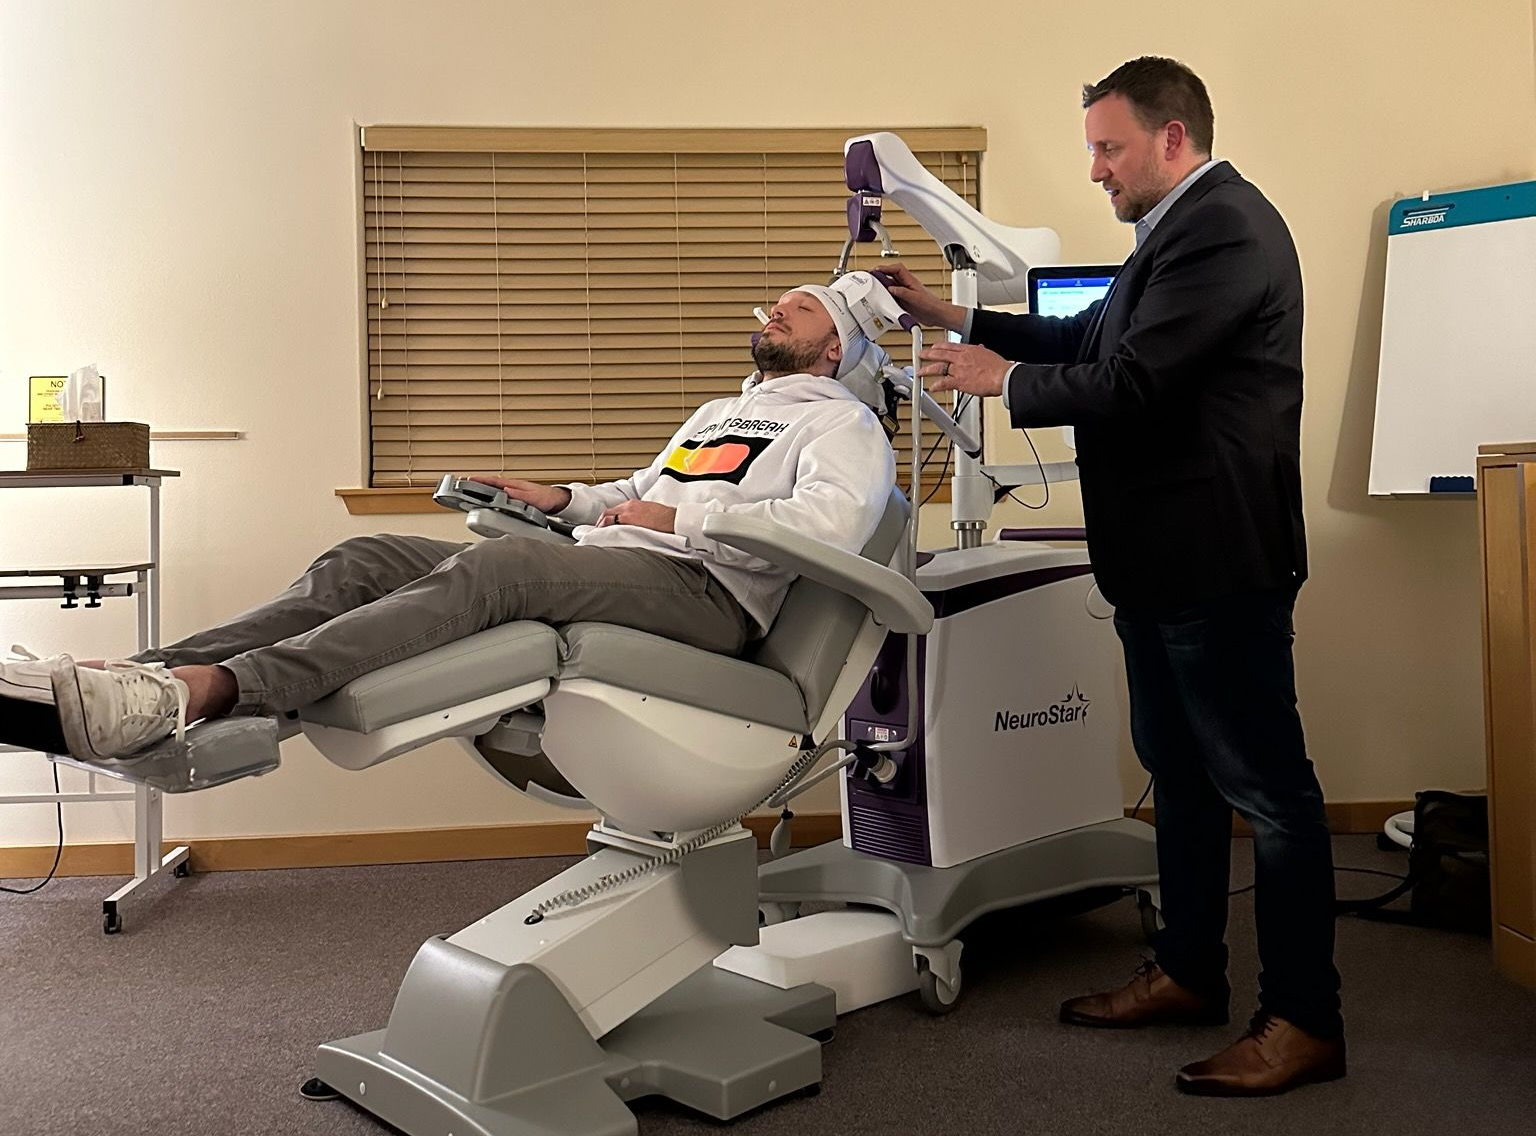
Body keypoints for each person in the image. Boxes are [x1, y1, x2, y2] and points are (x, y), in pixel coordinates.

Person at [878, 56, 1343, 1097]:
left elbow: (1135, 383)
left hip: (1219, 564)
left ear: (1172, 137)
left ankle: (1305, 1018)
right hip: (1160, 567)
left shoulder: (1226, 228)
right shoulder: (1163, 239)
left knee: (1269, 796)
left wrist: (1007, 382)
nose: (1094, 168)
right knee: (1177, 779)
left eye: (1107, 146)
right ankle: (1187, 969)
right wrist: (951, 319)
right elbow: (1081, 335)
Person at [0, 286, 896, 765]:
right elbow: (631, 490)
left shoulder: (844, 426)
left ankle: (205, 693)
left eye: (801, 306)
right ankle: (138, 680)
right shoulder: (716, 411)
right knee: (364, 556)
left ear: (835, 348)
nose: (774, 308)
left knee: (499, 571)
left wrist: (678, 513)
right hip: (627, 560)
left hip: (712, 597)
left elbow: (825, 527)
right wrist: (558, 499)